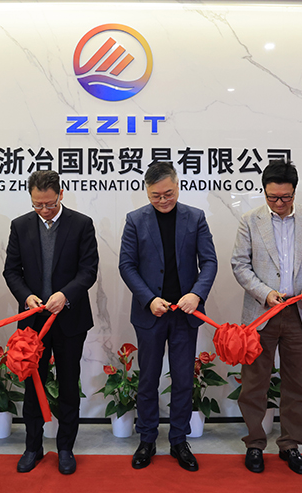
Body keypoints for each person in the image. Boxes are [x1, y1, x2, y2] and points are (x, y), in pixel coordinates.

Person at [230, 160, 302, 475]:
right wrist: (265, 293)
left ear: (294, 192)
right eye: (272, 197)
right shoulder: (250, 221)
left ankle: (290, 444)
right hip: (262, 314)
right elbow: (240, 264)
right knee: (254, 383)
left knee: (298, 384)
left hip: (300, 312)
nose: (278, 203)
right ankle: (254, 443)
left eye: (285, 197)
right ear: (264, 192)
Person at [119, 161, 218, 472]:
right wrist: (149, 299)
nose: (163, 200)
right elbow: (126, 265)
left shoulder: (195, 217)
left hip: (185, 314)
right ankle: (147, 439)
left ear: (178, 186)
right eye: (155, 196)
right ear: (147, 192)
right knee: (148, 379)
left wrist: (196, 294)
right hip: (151, 313)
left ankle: (179, 440)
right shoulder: (135, 220)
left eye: (168, 194)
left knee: (183, 379)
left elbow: (209, 262)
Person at [3, 170, 99, 475]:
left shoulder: (81, 224)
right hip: (32, 322)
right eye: (37, 204)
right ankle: (33, 446)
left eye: (49, 203)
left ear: (61, 194)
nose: (44, 210)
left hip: (70, 319)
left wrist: (65, 295)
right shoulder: (20, 225)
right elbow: (11, 271)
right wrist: (26, 296)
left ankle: (66, 448)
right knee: (33, 385)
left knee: (69, 385)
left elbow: (88, 270)